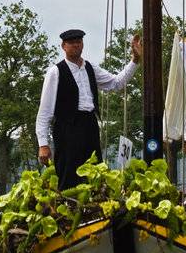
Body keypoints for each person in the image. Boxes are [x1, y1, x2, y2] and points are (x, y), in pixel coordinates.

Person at [36, 28, 142, 191]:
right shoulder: (55, 72)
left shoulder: (90, 68)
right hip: (67, 127)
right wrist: (43, 144)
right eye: (71, 43)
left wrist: (135, 60)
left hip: (89, 124)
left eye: (79, 42)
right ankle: (70, 209)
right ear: (63, 46)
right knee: (69, 173)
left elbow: (116, 83)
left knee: (94, 171)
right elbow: (45, 111)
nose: (76, 45)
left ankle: (93, 208)